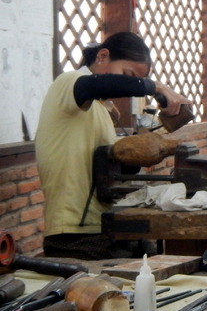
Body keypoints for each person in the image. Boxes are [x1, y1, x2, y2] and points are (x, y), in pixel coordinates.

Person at [35, 32, 191, 260]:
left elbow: (116, 169)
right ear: (102, 56)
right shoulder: (68, 84)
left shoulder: (100, 108)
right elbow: (100, 85)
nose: (128, 87)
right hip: (76, 234)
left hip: (106, 225)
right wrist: (156, 87)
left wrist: (144, 146)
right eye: (127, 75)